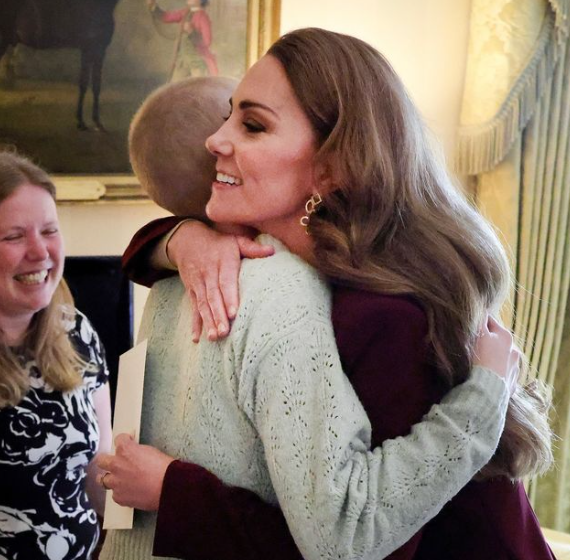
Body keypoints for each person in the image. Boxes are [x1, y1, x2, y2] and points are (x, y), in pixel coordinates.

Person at [111, 48, 556, 560]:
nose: (214, 140)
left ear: (330, 170)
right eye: (227, 115)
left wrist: (174, 494)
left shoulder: (379, 317)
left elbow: (360, 542)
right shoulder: (289, 271)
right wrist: (181, 239)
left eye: (252, 125)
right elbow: (136, 256)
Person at [0, 150, 112, 560]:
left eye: (49, 230)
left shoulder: (75, 329)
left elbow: (99, 466)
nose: (40, 252)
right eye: (13, 236)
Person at [149, 0, 218, 80]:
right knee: (174, 88)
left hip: (196, 62)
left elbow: (207, 42)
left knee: (197, 88)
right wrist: (153, 6)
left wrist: (191, 31)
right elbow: (166, 17)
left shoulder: (203, 17)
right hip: (182, 61)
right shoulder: (185, 13)